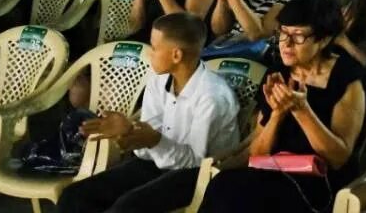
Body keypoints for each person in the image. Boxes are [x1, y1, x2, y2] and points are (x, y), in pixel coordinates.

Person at [55, 13, 241, 213]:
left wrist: (153, 140)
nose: (150, 54)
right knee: (74, 196)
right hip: (158, 161)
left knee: (125, 208)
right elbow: (146, 145)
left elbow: (194, 162)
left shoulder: (212, 97)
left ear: (176, 55)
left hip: (200, 176)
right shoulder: (158, 80)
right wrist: (130, 131)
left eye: (154, 48)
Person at [199, 0, 366, 213]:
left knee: (244, 199)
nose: (286, 44)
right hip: (272, 169)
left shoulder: (348, 78)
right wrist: (278, 114)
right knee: (222, 185)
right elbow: (258, 151)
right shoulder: (277, 73)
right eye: (283, 33)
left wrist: (302, 111)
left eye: (298, 37)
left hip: (316, 180)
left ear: (324, 40)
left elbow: (338, 158)